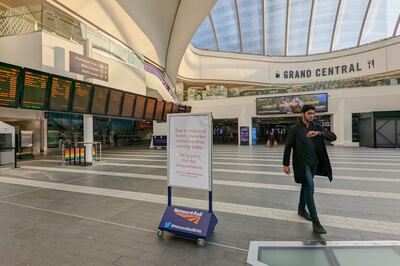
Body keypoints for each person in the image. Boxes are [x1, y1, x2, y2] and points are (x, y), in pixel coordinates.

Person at [282, 105, 337, 234]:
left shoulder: (316, 127)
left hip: (314, 163)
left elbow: (332, 136)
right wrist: (285, 164)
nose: (312, 116)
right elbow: (288, 146)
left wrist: (319, 133)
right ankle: (316, 222)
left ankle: (301, 209)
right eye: (309, 113)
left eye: (313, 113)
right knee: (310, 187)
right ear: (303, 114)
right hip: (302, 164)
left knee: (306, 185)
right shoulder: (294, 129)